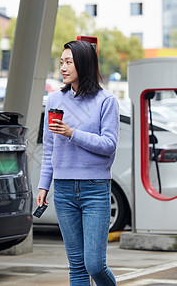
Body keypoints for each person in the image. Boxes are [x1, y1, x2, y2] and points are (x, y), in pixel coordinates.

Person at [36, 40, 119, 286]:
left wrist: (72, 133)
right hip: (63, 190)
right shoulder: (54, 101)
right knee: (77, 267)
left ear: (83, 64)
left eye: (68, 62)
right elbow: (49, 148)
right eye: (61, 62)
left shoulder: (106, 101)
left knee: (94, 264)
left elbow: (109, 145)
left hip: (95, 188)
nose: (62, 67)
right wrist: (43, 186)